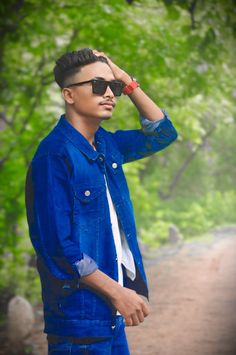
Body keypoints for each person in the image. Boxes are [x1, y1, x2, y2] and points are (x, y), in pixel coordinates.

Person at [25, 48, 178, 354]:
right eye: (98, 85)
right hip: (78, 324)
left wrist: (126, 79)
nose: (110, 93)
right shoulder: (54, 155)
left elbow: (163, 133)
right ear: (69, 95)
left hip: (110, 317)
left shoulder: (106, 143)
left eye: (114, 88)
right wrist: (118, 292)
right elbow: (58, 248)